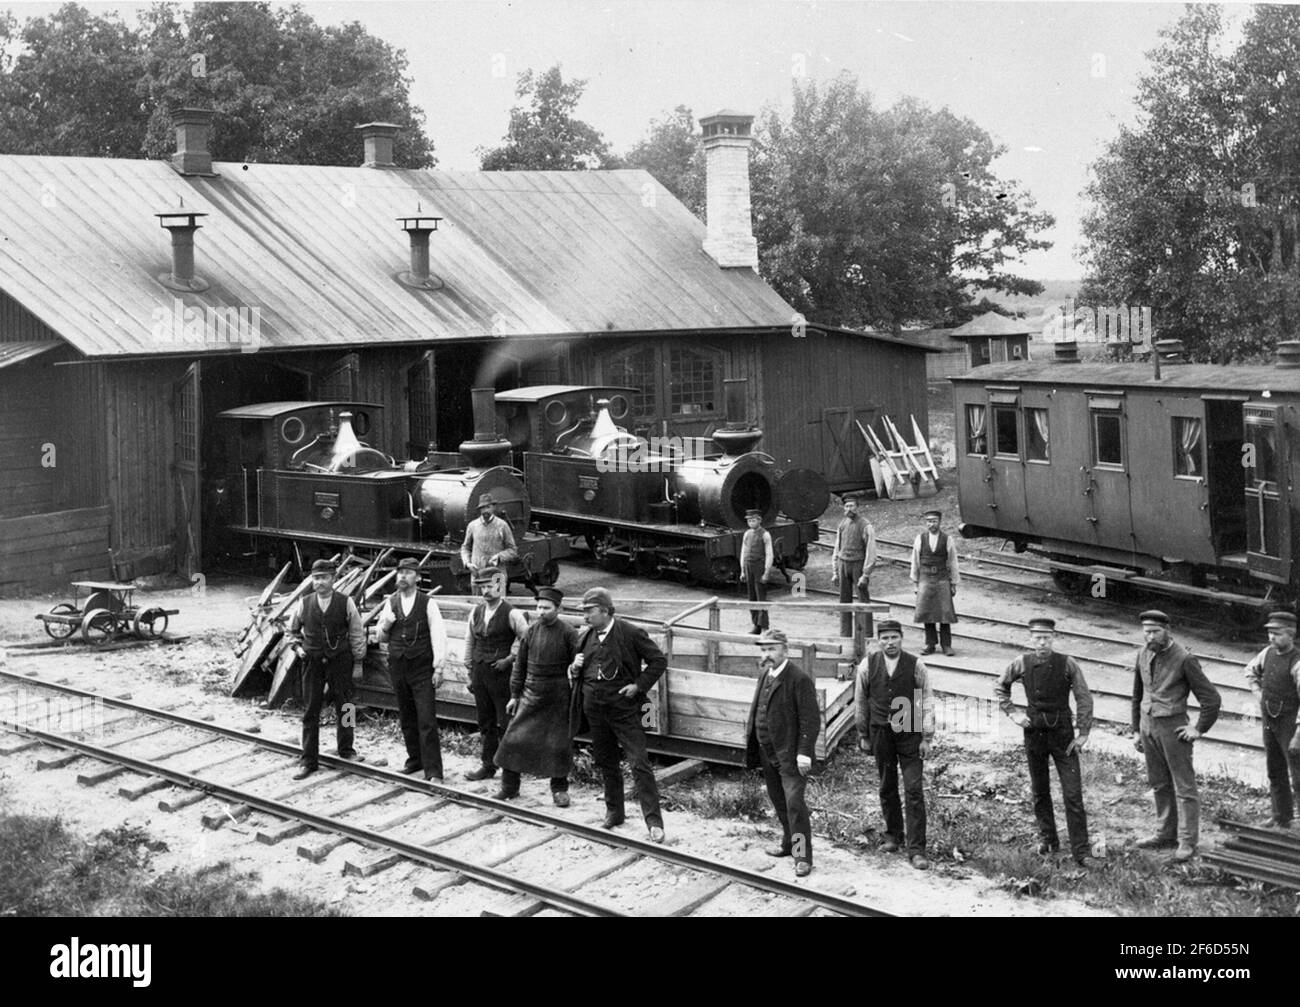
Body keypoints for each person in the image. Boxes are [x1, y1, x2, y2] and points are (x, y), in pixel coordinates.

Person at [568, 587, 668, 842]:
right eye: (584, 612)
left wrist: (638, 686)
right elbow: (577, 673)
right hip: (595, 711)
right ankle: (614, 813)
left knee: (639, 764)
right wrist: (573, 668)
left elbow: (658, 661)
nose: (586, 617)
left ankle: (654, 823)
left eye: (589, 611)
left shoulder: (630, 632)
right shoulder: (585, 636)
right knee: (606, 762)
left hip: (624, 710)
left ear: (605, 611)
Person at [995, 617, 1096, 866]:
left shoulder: (1067, 663)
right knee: (1040, 790)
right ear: (1030, 639)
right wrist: (1014, 714)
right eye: (1037, 638)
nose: (1042, 643)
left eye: (1047, 638)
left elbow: (1084, 696)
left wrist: (1083, 732)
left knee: (1072, 794)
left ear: (1053, 638)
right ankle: (1048, 840)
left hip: (1063, 735)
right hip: (1034, 733)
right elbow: (1000, 687)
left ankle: (1081, 852)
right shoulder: (1021, 662)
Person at [1131, 610, 1222, 861]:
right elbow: (1137, 694)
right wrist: (1136, 730)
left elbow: (1211, 699)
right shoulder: (1142, 652)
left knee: (1184, 786)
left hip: (1174, 730)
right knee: (1159, 782)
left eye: (1155, 631)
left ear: (1167, 629)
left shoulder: (1184, 659)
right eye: (1146, 631)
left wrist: (1198, 729)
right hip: (1148, 725)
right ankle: (1164, 833)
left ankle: (1187, 841)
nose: (1150, 636)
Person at [854, 620, 934, 870]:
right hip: (881, 733)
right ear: (878, 641)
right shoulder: (868, 664)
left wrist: (926, 737)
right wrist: (863, 733)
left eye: (894, 638)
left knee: (913, 789)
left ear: (902, 638)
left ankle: (917, 849)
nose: (890, 643)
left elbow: (926, 700)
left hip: (909, 732)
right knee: (887, 785)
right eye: (885, 638)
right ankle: (893, 837)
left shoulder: (915, 665)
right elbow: (861, 701)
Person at [744, 629, 818, 877]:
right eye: (764, 649)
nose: (767, 654)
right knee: (779, 802)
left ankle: (802, 857)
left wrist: (804, 752)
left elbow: (810, 719)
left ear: (785, 650)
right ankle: (788, 844)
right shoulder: (765, 674)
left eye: (772, 649)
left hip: (791, 755)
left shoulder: (799, 679)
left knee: (795, 804)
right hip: (768, 752)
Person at [494, 586, 579, 805]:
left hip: (558, 695)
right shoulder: (531, 632)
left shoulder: (569, 633)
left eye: (546, 608)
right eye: (538, 607)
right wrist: (514, 695)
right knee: (513, 740)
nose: (541, 612)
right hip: (530, 693)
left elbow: (576, 668)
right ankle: (509, 787)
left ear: (558, 609)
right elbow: (519, 666)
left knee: (558, 744)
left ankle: (559, 790)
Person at [287, 559, 366, 780]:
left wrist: (358, 662)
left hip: (340, 661)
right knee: (310, 710)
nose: (319, 582)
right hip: (312, 662)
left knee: (346, 706)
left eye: (324, 577)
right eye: (316, 578)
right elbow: (291, 632)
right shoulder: (304, 603)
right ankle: (308, 760)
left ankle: (347, 750)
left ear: (333, 579)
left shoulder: (346, 603)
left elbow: (357, 633)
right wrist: (298, 649)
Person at [374, 557, 448, 782]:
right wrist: (386, 624)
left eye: (407, 573)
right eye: (400, 572)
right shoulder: (391, 602)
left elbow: (439, 635)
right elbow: (380, 637)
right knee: (406, 717)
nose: (402, 577)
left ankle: (434, 770)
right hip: (398, 666)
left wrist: (439, 668)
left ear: (417, 577)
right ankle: (414, 760)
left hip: (422, 668)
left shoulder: (428, 603)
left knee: (426, 719)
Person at [462, 567, 528, 782]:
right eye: (482, 587)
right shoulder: (476, 611)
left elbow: (526, 640)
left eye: (490, 586)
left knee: (506, 722)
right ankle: (488, 765)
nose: (486, 591)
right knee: (486, 722)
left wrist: (510, 658)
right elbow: (470, 639)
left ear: (500, 587)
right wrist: (469, 666)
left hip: (503, 676)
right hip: (480, 673)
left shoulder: (512, 613)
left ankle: (511, 770)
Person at [1242, 611, 1300, 829]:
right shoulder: (1267, 653)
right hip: (1270, 720)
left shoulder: (1297, 663)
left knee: (1298, 774)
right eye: (1269, 633)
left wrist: (1298, 734)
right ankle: (1280, 815)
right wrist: (1258, 693)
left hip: (1291, 725)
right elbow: (1250, 670)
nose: (1271, 638)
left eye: (1276, 634)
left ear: (1290, 635)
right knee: (1274, 769)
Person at [909, 509, 960, 656]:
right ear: (926, 523)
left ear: (939, 522)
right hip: (925, 577)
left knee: (945, 612)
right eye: (929, 521)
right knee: (926, 612)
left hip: (942, 578)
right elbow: (915, 561)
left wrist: (954, 583)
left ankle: (946, 645)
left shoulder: (947, 539)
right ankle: (930, 644)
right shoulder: (920, 539)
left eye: (934, 521)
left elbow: (952, 561)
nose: (931, 524)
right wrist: (915, 583)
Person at [831, 494, 877, 637]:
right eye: (846, 506)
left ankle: (867, 635)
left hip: (858, 565)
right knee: (844, 601)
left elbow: (871, 551)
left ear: (857, 507)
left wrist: (866, 574)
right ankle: (845, 635)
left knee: (863, 600)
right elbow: (837, 548)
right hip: (843, 564)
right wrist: (835, 571)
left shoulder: (866, 525)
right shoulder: (842, 524)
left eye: (852, 506)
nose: (849, 509)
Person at [460, 491, 518, 573]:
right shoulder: (472, 526)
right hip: (478, 575)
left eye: (488, 507)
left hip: (497, 574)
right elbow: (465, 548)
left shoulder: (502, 525)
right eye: (482, 508)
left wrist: (499, 557)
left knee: (498, 586)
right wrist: (467, 563)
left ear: (493, 508)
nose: (485, 510)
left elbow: (513, 550)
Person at [739, 508, 775, 634]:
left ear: (759, 520)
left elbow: (769, 554)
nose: (751, 523)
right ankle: (756, 625)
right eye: (749, 521)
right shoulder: (747, 534)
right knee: (751, 597)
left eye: (753, 520)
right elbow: (743, 552)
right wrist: (742, 570)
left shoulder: (765, 534)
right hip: (748, 567)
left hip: (759, 567)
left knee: (761, 597)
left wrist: (766, 572)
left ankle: (764, 626)